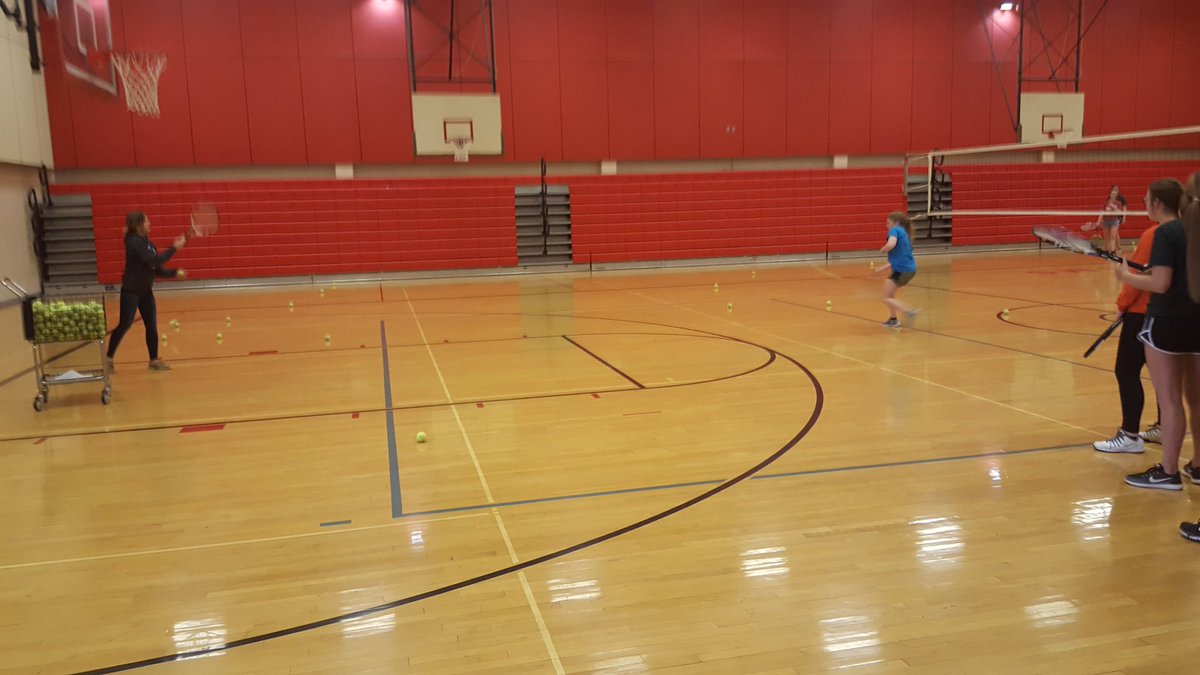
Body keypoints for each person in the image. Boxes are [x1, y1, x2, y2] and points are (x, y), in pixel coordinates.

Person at [1113, 177, 1200, 492]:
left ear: (1157, 203)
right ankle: (1198, 466)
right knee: (1196, 400)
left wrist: (1126, 276)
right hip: (1197, 318)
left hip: (1169, 321)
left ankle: (1168, 470)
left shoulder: (1167, 232)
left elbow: (1161, 283)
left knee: (1171, 399)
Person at [1092, 182, 1172, 454]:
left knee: (1126, 371)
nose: (1144, 203)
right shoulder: (1187, 231)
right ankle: (1164, 427)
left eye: (1147, 198)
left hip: (1142, 314)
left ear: (1158, 203)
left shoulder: (1154, 235)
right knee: (1163, 375)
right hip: (1170, 314)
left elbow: (1137, 282)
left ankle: (1129, 435)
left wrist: (1122, 302)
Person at [106, 211, 188, 371]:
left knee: (151, 326)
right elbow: (153, 260)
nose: (150, 223)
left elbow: (156, 268)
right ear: (138, 225)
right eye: (147, 221)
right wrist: (174, 249)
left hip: (146, 291)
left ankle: (154, 360)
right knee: (125, 324)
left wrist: (174, 273)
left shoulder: (149, 244)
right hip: (131, 291)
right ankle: (108, 358)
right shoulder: (133, 242)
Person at [875, 212, 919, 327]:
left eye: (888, 223)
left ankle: (909, 311)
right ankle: (893, 319)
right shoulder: (905, 234)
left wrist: (885, 248)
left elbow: (891, 244)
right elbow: (900, 258)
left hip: (901, 270)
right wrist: (881, 268)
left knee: (885, 297)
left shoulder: (895, 230)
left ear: (896, 223)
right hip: (908, 269)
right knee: (889, 295)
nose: (887, 225)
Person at [1083, 185, 1127, 253]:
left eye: (1114, 194)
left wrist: (1114, 208)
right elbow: (1101, 213)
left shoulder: (1118, 203)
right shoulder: (1105, 204)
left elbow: (1119, 213)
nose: (1113, 195)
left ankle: (1112, 251)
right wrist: (1098, 221)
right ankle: (1107, 250)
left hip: (1114, 222)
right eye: (1112, 194)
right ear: (1110, 195)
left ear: (1116, 196)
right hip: (1106, 222)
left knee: (1112, 237)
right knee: (1106, 238)